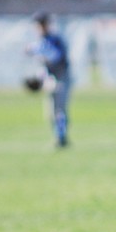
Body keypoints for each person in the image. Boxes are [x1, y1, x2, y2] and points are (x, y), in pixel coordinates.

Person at [25, 11, 72, 148]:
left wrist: (39, 54)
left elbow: (57, 58)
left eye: (41, 24)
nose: (39, 27)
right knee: (51, 112)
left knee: (59, 108)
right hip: (49, 78)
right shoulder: (39, 42)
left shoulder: (55, 40)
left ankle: (62, 138)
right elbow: (29, 53)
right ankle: (59, 136)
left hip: (61, 77)